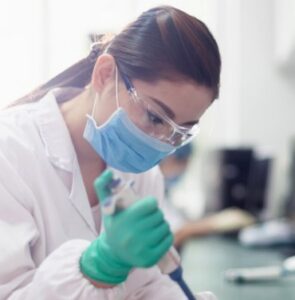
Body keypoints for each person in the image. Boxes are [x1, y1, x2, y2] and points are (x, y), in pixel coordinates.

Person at [0, 5, 221, 300]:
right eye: (156, 117)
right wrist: (97, 267)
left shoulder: (141, 175)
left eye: (179, 133)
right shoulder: (10, 152)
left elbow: (143, 288)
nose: (161, 143)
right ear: (104, 75)